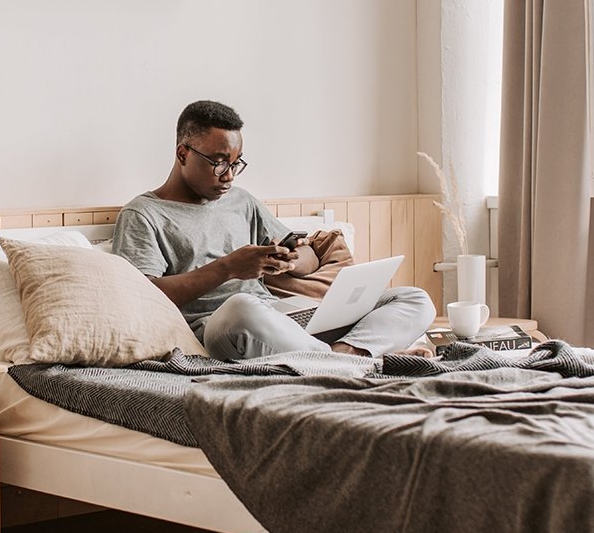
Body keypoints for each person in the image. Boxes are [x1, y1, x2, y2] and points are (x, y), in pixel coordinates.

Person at [111, 99, 436, 361]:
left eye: (236, 163)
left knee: (414, 298)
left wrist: (291, 260)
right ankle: (366, 360)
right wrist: (227, 268)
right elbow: (144, 296)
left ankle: (346, 357)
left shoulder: (241, 201)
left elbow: (308, 254)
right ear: (183, 153)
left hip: (283, 321)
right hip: (223, 328)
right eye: (220, 162)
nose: (229, 176)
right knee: (241, 307)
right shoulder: (144, 214)